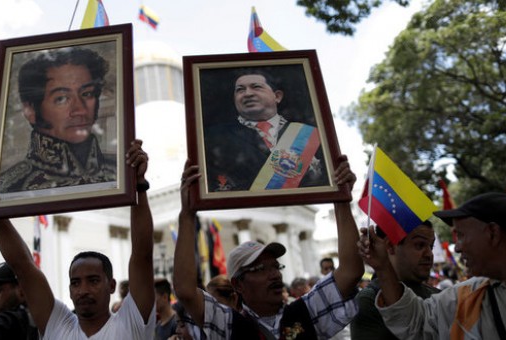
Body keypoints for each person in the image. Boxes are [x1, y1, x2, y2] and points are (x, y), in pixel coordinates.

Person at [0, 139, 155, 339]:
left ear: (111, 285)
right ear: (69, 289)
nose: (83, 290)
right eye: (76, 283)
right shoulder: (58, 326)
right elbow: (22, 266)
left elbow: (142, 255)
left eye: (93, 281)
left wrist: (139, 186)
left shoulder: (131, 323)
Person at [173, 155, 364, 339]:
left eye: (275, 266)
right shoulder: (228, 324)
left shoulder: (307, 311)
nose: (275, 274)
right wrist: (188, 215)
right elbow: (185, 290)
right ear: (238, 284)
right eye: (261, 269)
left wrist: (341, 199)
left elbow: (351, 271)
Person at [358, 192, 506, 339]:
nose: (457, 247)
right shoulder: (465, 296)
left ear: (493, 234)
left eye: (462, 235)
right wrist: (382, 266)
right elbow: (415, 322)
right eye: (420, 245)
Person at [0, 46, 115, 193]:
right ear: (31, 110)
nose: (80, 110)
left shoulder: (120, 173)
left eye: (87, 94)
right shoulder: (9, 187)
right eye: (61, 99)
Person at [204, 68, 327, 192]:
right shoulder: (215, 137)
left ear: (277, 96)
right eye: (240, 90)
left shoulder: (309, 135)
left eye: (256, 87)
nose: (247, 94)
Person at [350, 221, 439, 340]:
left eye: (431, 246)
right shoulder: (369, 300)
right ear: (390, 246)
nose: (429, 254)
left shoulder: (439, 296)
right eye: (419, 245)